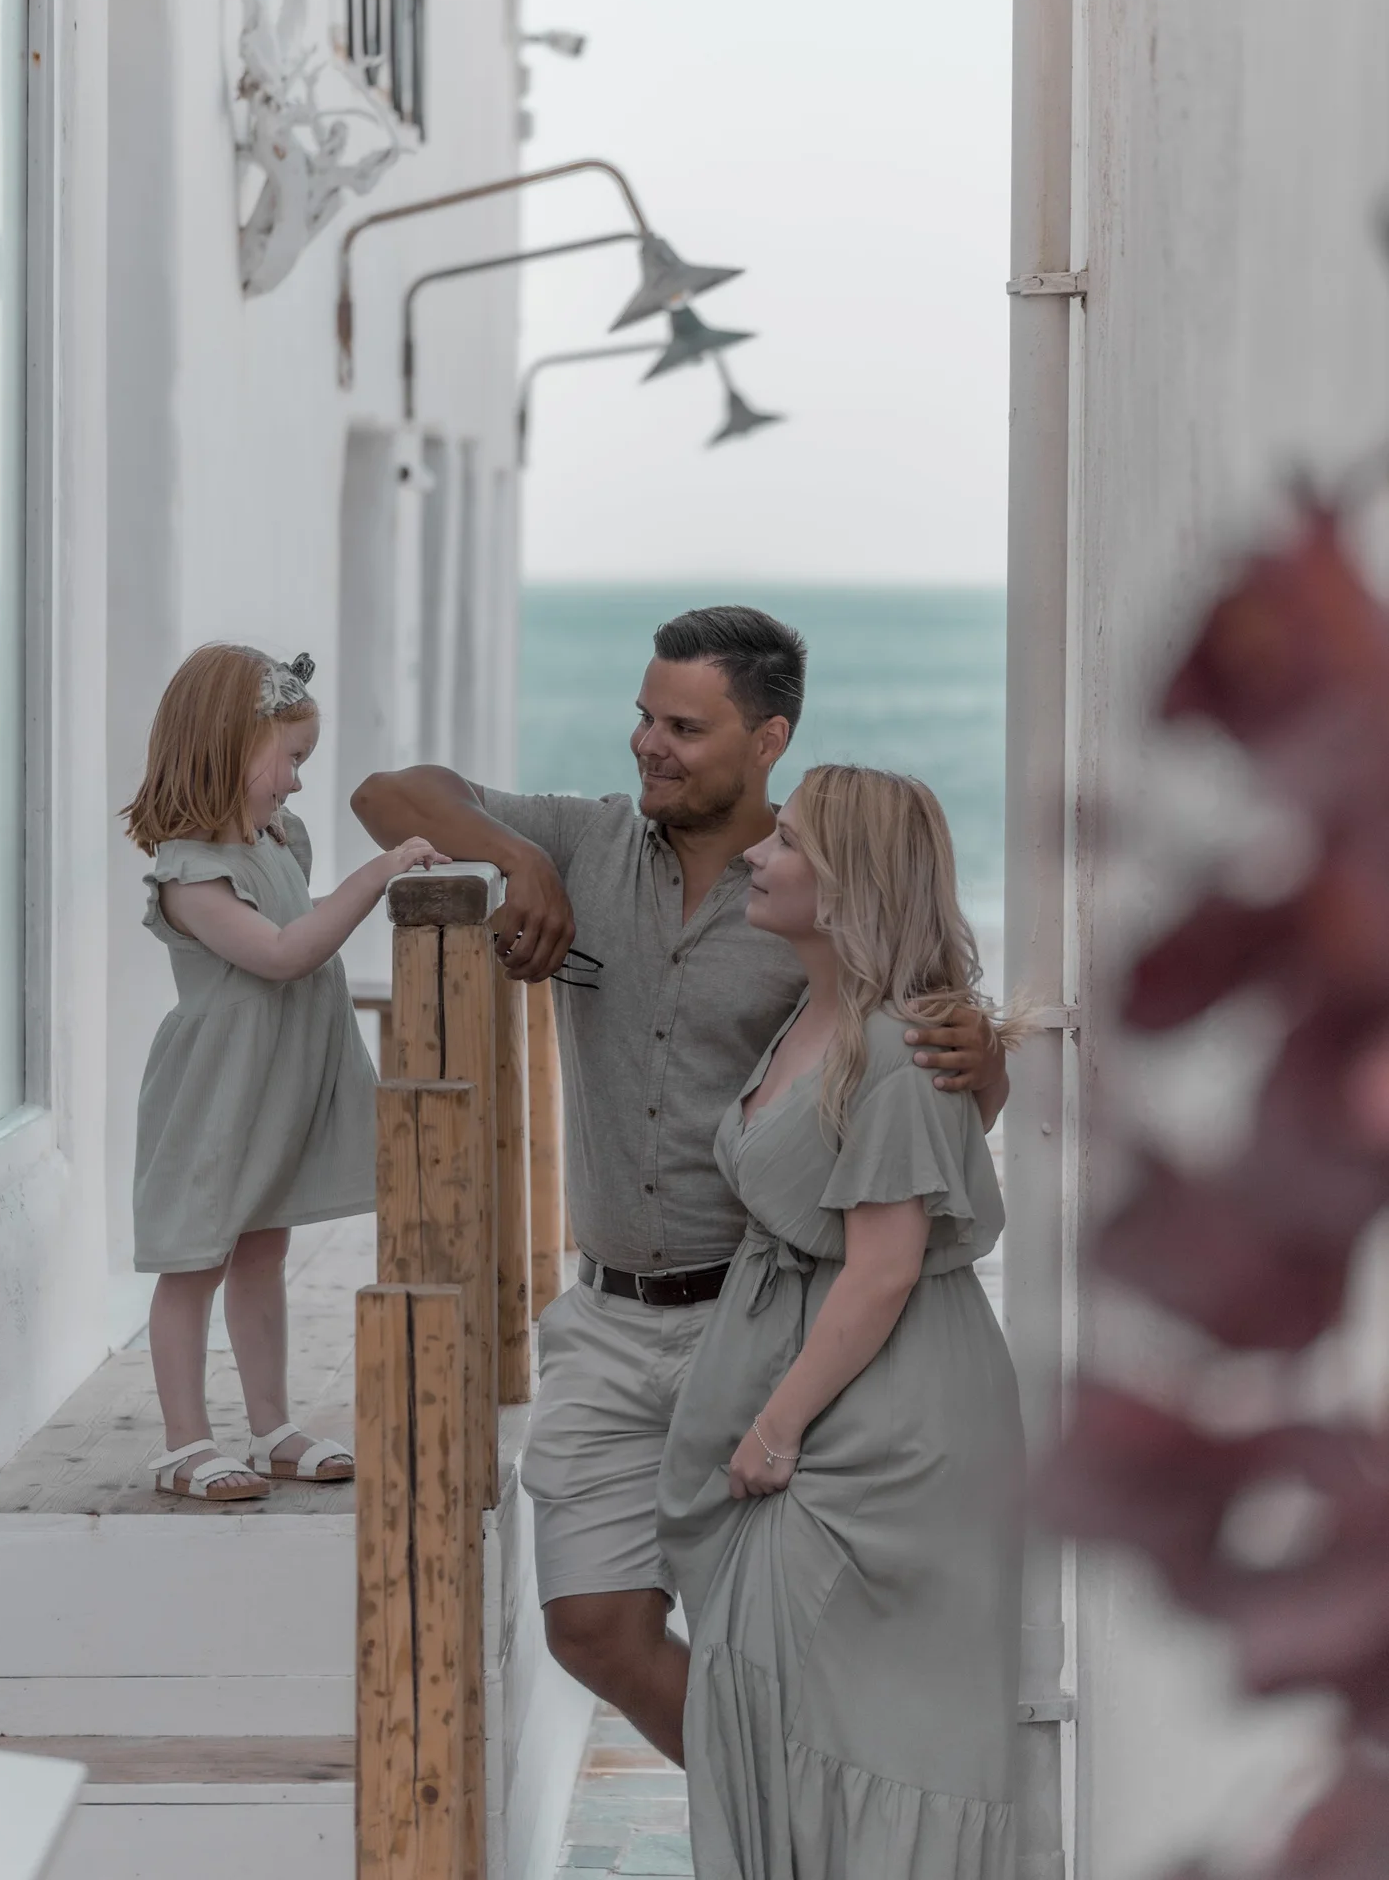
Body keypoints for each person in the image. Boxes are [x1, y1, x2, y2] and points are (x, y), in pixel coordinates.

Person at [351, 605, 1008, 1756]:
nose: (650, 743)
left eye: (686, 727)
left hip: (757, 1315)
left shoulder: (808, 889)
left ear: (769, 740)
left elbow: (935, 1080)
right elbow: (388, 794)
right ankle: (779, 1807)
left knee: (774, 1631)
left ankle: (790, 1822)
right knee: (593, 1628)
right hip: (604, 1317)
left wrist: (985, 1052)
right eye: (645, 716)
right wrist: (518, 859)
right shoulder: (584, 841)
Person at [656, 765, 1023, 1879]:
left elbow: (884, 1270)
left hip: (880, 1422)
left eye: (786, 842)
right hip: (824, 1387)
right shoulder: (815, 1016)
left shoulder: (899, 1051)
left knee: (852, 1720)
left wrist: (774, 1431)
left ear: (848, 881)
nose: (755, 855)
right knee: (775, 1693)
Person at [124, 643, 445, 1502]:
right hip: (217, 1092)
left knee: (264, 1250)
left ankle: (270, 1424)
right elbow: (281, 953)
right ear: (230, 743)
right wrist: (374, 875)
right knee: (195, 1258)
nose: (298, 782)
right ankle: (184, 1440)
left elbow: (298, 930)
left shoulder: (276, 842)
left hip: (274, 1086)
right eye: (291, 759)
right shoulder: (191, 873)